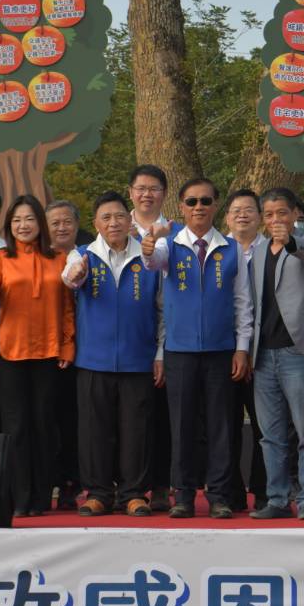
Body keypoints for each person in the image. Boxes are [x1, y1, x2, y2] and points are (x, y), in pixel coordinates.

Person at [153, 177, 253, 519]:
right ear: (181, 207)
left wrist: (242, 347)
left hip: (221, 350)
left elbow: (243, 302)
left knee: (221, 424)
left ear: (215, 206)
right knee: (181, 425)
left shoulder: (231, 248)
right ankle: (182, 494)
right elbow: (153, 262)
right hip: (179, 350)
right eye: (192, 201)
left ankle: (220, 495)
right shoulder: (170, 246)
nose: (199, 207)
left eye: (206, 201)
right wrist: (151, 244)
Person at [0, 194, 75, 516]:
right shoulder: (0, 258)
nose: (23, 225)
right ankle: (20, 497)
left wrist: (68, 344)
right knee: (16, 427)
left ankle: (43, 496)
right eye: (16, 220)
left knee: (45, 424)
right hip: (11, 351)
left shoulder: (59, 258)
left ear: (39, 223)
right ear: (9, 226)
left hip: (48, 350)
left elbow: (67, 308)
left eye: (29, 219)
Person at [62, 192, 160, 517]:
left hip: (138, 358)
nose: (113, 222)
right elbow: (70, 277)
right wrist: (74, 276)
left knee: (137, 429)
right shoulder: (82, 255)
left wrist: (160, 353)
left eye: (119, 216)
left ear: (130, 219)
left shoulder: (149, 257)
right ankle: (99, 492)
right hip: (93, 360)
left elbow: (163, 309)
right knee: (94, 430)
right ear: (96, 224)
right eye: (106, 217)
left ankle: (133, 493)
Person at [245, 188, 304, 520]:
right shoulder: (257, 251)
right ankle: (278, 498)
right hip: (264, 355)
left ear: (296, 213)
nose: (275, 220)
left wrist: (291, 241)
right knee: (271, 436)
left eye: (282, 213)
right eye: (268, 215)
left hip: (299, 351)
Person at [128, 164, 174, 512]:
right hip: (125, 339)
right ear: (131, 192)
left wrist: (161, 348)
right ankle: (126, 488)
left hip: (162, 336)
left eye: (154, 188)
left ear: (164, 194)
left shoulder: (178, 234)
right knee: (126, 419)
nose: (147, 194)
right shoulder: (115, 228)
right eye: (141, 188)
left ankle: (159, 485)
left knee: (159, 418)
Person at [223, 188, 269, 509]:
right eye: (236, 210)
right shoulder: (218, 249)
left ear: (260, 216)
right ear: (227, 217)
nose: (242, 214)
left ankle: (265, 490)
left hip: (265, 351)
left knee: (266, 423)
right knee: (226, 424)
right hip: (225, 351)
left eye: (249, 209)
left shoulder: (273, 248)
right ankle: (232, 492)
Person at [45, 199, 91, 510]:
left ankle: (74, 482)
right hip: (47, 349)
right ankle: (49, 479)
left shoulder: (89, 256)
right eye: (55, 223)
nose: (61, 227)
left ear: (76, 225)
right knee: (48, 419)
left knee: (76, 419)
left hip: (85, 350)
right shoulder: (40, 258)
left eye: (67, 222)